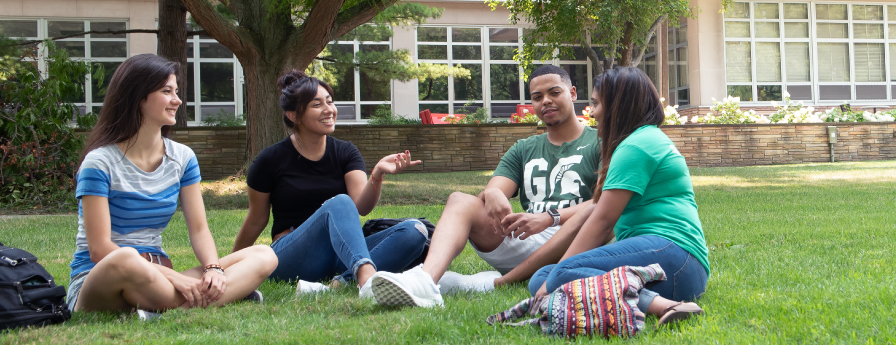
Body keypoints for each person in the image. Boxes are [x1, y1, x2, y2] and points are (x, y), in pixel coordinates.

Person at [369, 65, 600, 308]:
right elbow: (494, 191)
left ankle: (481, 282)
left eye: (555, 93)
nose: (546, 101)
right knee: (461, 200)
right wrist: (492, 193)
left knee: (593, 214)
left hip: (578, 239)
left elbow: (605, 203)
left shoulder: (599, 142)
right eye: (537, 97)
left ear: (572, 93)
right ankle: (425, 280)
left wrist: (549, 217)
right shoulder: (524, 148)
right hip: (528, 236)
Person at [67, 54, 278, 315]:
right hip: (102, 278)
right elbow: (100, 250)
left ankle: (158, 308)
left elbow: (199, 230)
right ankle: (221, 297)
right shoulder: (99, 162)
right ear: (137, 96)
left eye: (176, 91)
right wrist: (175, 278)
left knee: (263, 255)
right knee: (126, 258)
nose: (177, 100)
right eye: (167, 91)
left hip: (157, 279)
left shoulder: (182, 158)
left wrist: (213, 269)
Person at [529, 66, 707, 326]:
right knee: (541, 277)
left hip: (675, 258)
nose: (592, 111)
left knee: (559, 274)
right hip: (673, 269)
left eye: (597, 103)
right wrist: (553, 277)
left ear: (618, 105)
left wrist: (559, 275)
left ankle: (667, 306)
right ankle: (642, 298)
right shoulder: (640, 140)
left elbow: (602, 222)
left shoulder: (637, 145)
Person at [232, 71, 426, 296]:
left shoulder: (346, 153)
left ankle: (338, 284)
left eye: (330, 102)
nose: (329, 110)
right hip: (291, 255)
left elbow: (360, 208)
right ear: (294, 115)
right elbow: (256, 220)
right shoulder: (269, 160)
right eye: (317, 104)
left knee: (416, 231)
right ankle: (367, 281)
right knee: (339, 203)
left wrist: (377, 175)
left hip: (340, 252)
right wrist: (227, 266)